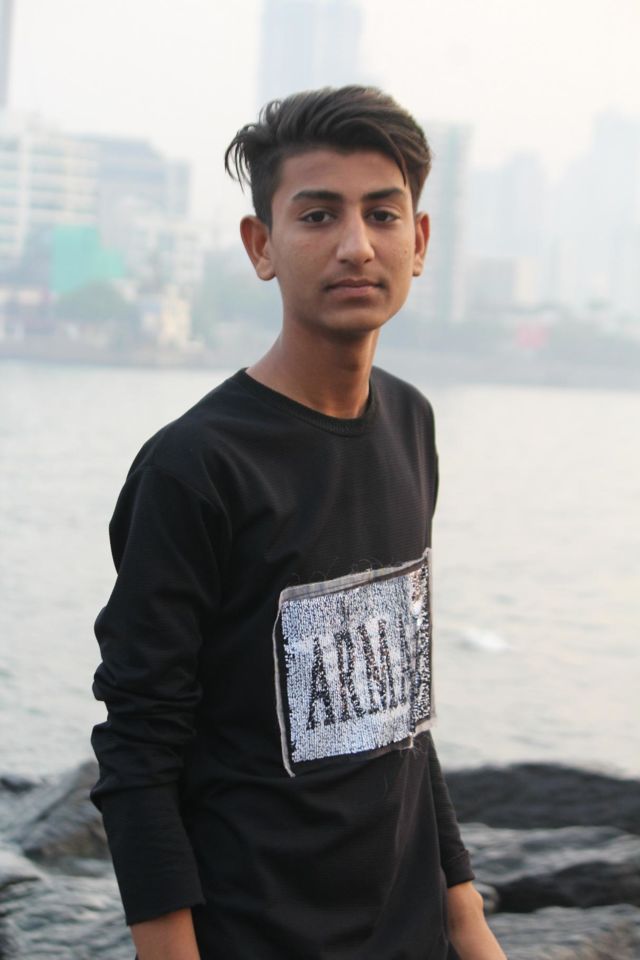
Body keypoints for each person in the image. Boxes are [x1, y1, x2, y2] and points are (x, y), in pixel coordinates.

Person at [91, 85, 507, 960]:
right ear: (261, 245)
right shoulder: (196, 468)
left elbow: (401, 717)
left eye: (382, 214)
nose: (356, 245)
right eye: (318, 215)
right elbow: (138, 748)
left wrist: (467, 922)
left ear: (420, 242)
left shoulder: (410, 422)